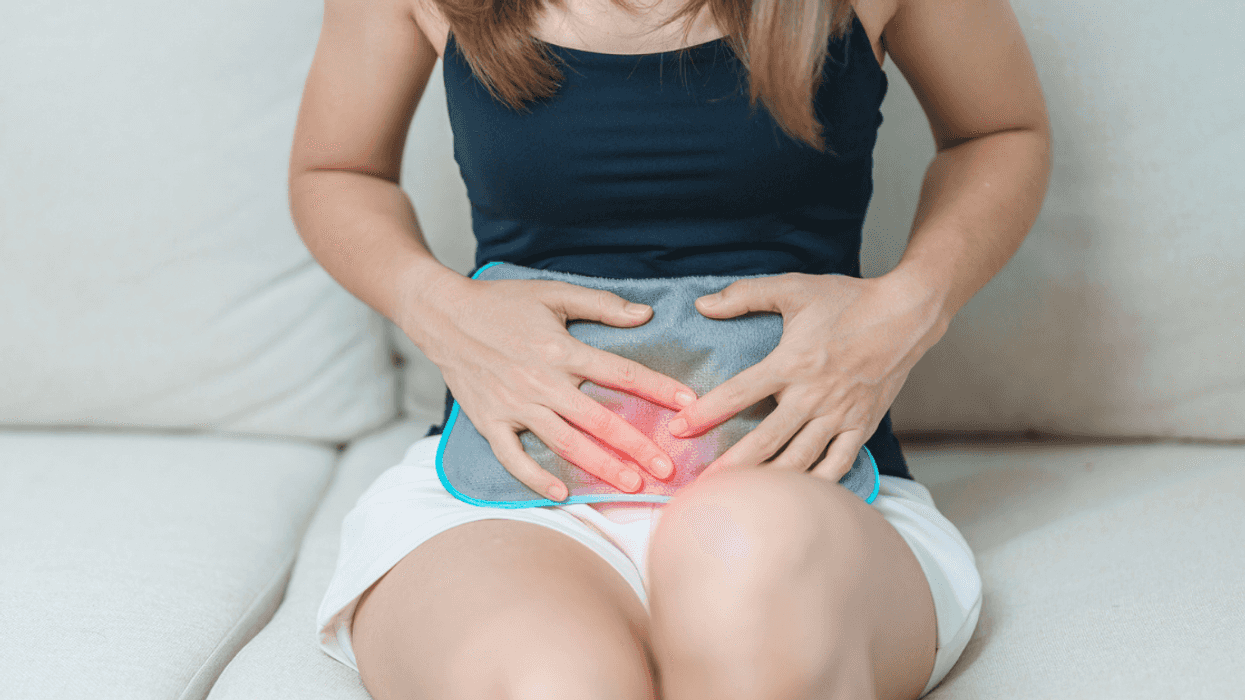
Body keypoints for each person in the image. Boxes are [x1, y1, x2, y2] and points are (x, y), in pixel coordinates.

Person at [294, 0, 1052, 697]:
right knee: (556, 683)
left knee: (735, 559)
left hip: (808, 497)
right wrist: (436, 307)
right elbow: (336, 171)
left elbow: (999, 132)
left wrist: (908, 306)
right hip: (511, 498)